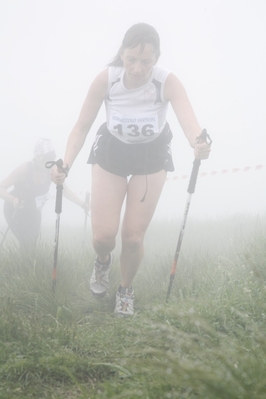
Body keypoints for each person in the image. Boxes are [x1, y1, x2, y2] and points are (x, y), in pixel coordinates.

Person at [51, 23, 211, 317]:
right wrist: (66, 163)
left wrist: (199, 143)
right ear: (122, 54)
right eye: (132, 60)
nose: (138, 68)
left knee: (133, 236)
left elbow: (191, 125)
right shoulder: (106, 80)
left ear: (156, 59)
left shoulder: (167, 83)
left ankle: (125, 290)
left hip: (151, 156)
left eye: (146, 61)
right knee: (103, 236)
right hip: (112, 151)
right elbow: (82, 126)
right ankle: (102, 262)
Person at [0, 138, 90, 252]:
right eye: (46, 157)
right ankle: (21, 267)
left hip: (34, 211)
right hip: (14, 209)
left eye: (51, 157)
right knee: (26, 241)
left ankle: (24, 266)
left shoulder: (52, 170)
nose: (49, 161)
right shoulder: (25, 169)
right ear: (37, 157)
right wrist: (13, 199)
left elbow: (64, 190)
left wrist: (82, 204)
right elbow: (1, 187)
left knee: (32, 244)